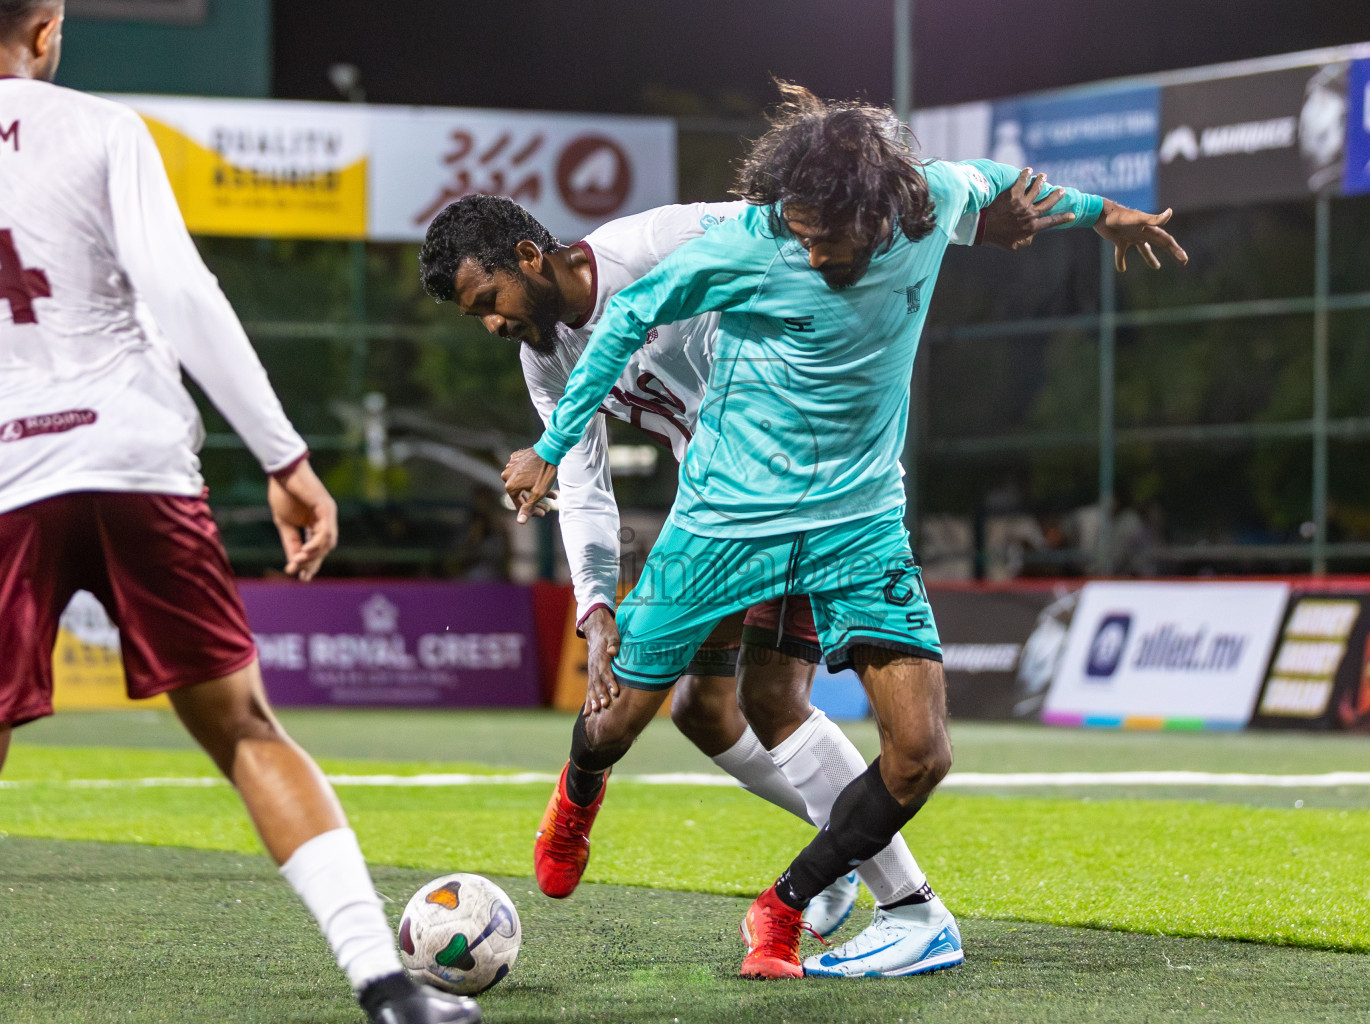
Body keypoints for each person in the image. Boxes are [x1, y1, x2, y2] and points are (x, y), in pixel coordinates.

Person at [501, 81, 1187, 979]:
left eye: (825, 229)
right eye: (797, 224)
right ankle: (580, 790)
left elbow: (1006, 184)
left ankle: (792, 907)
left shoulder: (931, 198)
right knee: (614, 723)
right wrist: (553, 447)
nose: (808, 243)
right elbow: (628, 314)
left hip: (858, 523)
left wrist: (1105, 217)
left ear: (883, 208)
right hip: (720, 521)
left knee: (920, 753)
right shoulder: (753, 239)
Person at [416, 177, 1069, 955]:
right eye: (475, 316)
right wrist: (594, 609)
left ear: (528, 255)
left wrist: (969, 227)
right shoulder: (545, 352)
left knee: (764, 703)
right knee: (701, 709)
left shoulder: (667, 242)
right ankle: (833, 865)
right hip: (719, 511)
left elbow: (800, 228)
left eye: (490, 298)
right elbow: (583, 482)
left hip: (801, 484)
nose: (491, 322)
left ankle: (899, 903)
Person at [0, 4, 478, 1022]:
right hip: (134, 458)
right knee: (248, 731)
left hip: (7, 481)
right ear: (45, 28)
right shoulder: (100, 128)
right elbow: (180, 289)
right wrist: (285, 455)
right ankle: (386, 988)